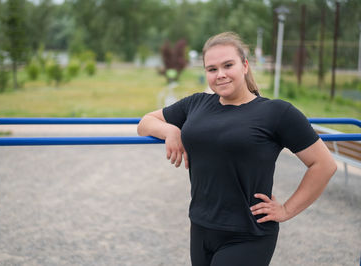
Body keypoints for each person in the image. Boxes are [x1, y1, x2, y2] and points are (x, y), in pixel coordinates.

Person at [137, 32, 337, 266]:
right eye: (212, 69)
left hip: (248, 234)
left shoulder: (276, 112)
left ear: (244, 66)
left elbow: (324, 164)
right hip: (201, 228)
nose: (220, 75)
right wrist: (171, 131)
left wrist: (286, 210)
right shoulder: (197, 104)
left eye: (228, 65)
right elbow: (145, 122)